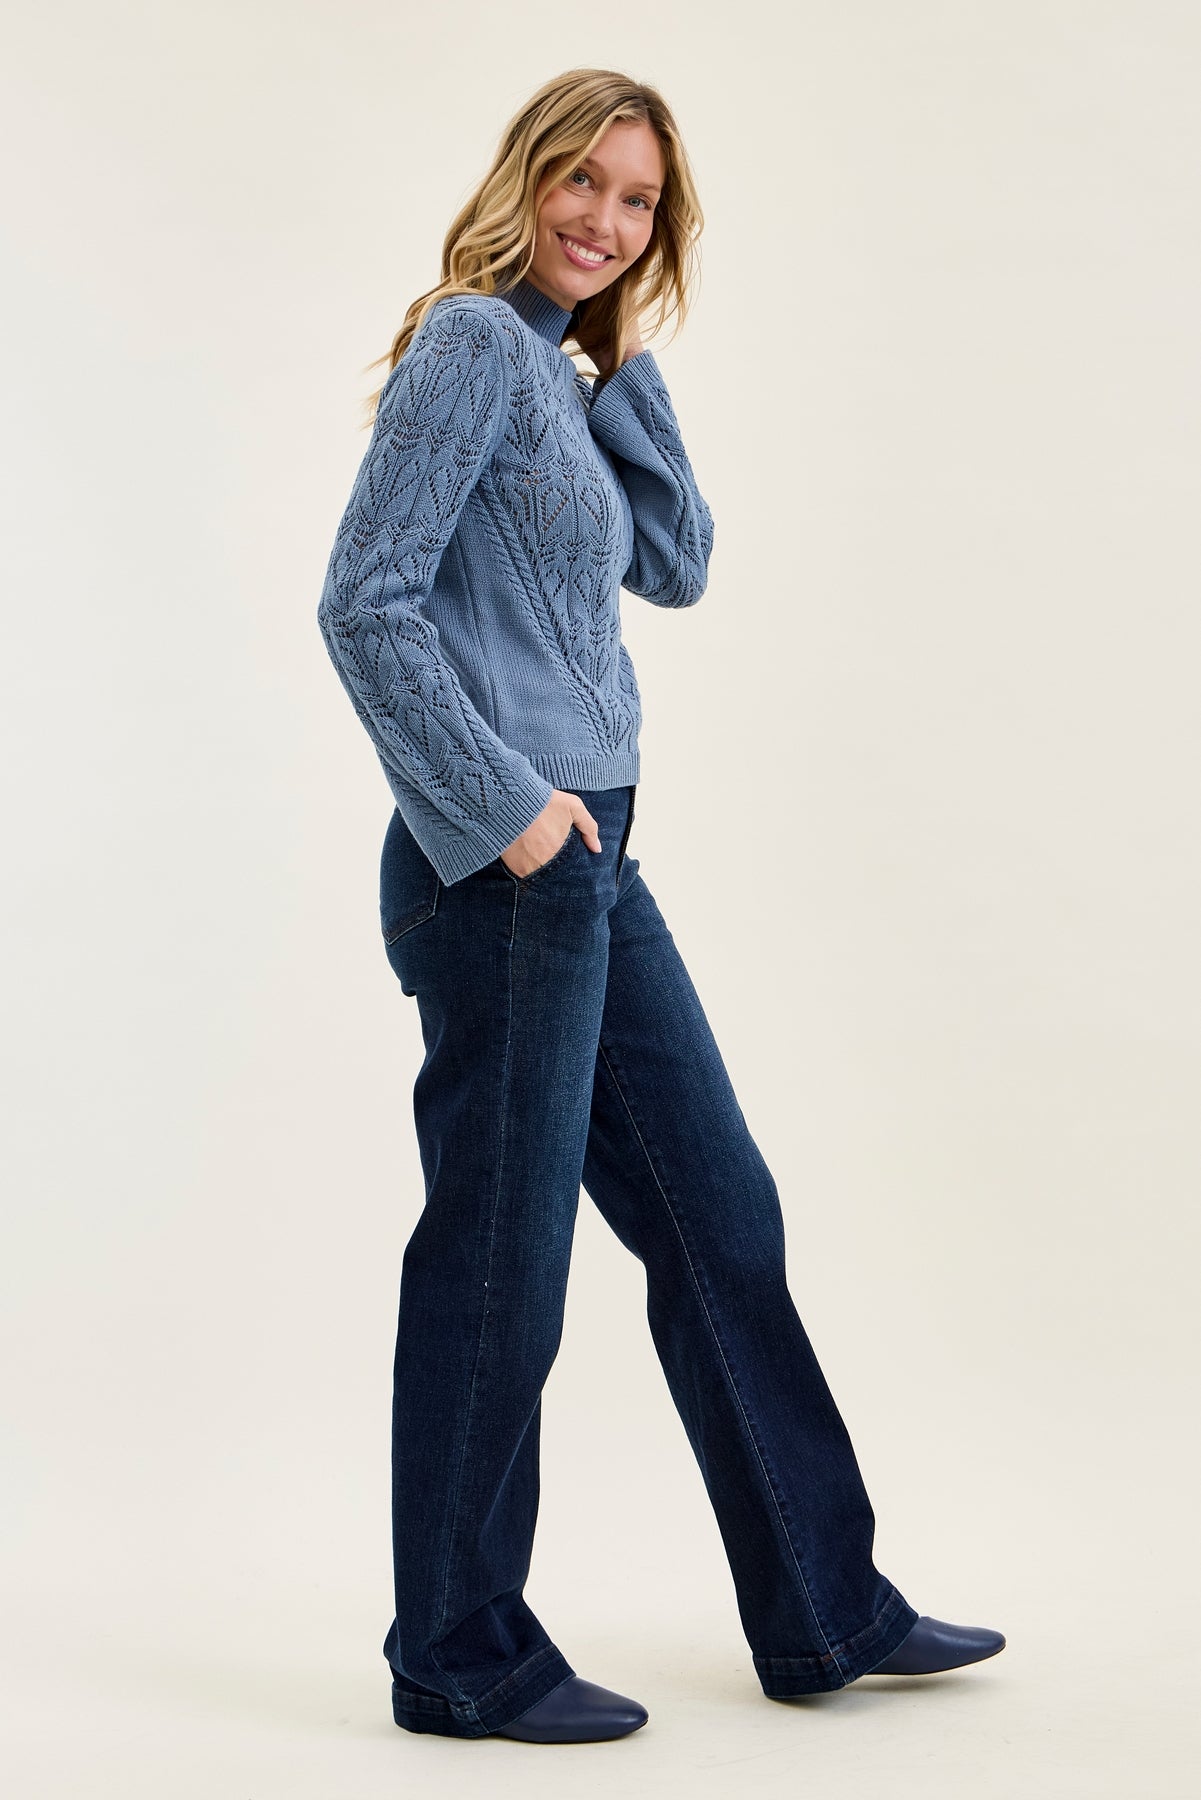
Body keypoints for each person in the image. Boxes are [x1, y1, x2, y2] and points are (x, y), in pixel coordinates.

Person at [315, 67, 1005, 1747]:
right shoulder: (472, 346)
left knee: (721, 1217)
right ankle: (456, 1652)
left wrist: (623, 371)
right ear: (525, 176)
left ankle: (822, 1609)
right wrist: (510, 815)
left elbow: (676, 563)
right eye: (582, 182)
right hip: (506, 867)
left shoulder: (561, 371)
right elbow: (363, 602)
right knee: (503, 1258)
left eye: (637, 203)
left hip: (588, 866)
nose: (604, 220)